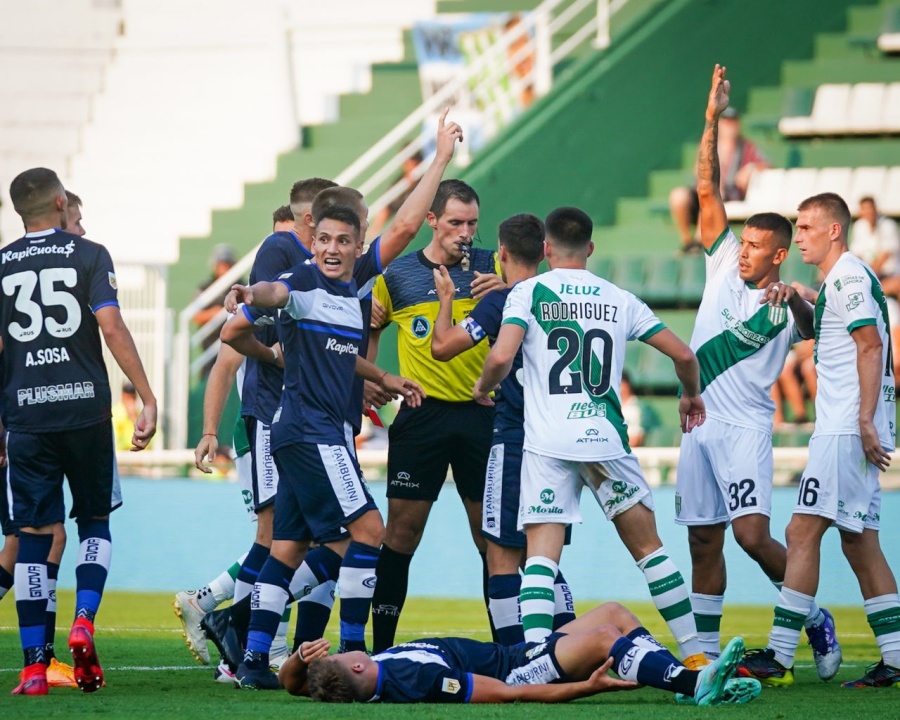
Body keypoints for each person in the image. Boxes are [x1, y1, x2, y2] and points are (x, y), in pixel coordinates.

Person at [473, 205, 708, 669]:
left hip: (548, 443)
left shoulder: (528, 293)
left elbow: (501, 356)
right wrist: (690, 395)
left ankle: (536, 662)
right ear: (591, 248)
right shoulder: (619, 298)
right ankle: (696, 655)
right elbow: (684, 355)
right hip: (605, 438)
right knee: (650, 552)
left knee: (540, 561)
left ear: (546, 249)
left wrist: (483, 386)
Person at [672, 65, 841, 679]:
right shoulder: (721, 262)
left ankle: (811, 616)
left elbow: (815, 327)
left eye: (754, 247)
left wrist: (795, 300)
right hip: (699, 425)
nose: (741, 252)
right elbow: (706, 185)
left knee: (749, 536)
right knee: (702, 540)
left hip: (745, 429)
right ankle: (706, 656)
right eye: (741, 243)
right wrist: (711, 118)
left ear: (778, 255)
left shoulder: (786, 305)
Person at [222, 204, 426, 689]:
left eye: (343, 240)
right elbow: (254, 311)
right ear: (313, 243)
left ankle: (252, 660)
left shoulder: (346, 296)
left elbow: (341, 355)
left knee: (288, 548)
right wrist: (252, 296)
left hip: (302, 433)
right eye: (325, 239)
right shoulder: (305, 282)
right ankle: (355, 652)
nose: (332, 248)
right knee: (369, 531)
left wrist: (383, 376)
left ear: (358, 247)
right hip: (313, 432)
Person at [2, 168, 157, 695]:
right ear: (60, 202)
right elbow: (111, 326)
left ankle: (33, 669)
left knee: (32, 537)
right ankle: (84, 620)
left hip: (27, 417)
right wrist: (147, 396)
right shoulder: (89, 255)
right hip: (86, 412)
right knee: (93, 522)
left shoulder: (2, 264)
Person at [738, 192, 900, 689]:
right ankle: (896, 658)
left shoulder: (847, 278)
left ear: (834, 230)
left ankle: (780, 655)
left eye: (807, 227)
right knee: (860, 542)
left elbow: (870, 345)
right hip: (852, 425)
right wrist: (799, 300)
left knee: (800, 532)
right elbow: (821, 334)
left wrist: (865, 420)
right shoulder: (841, 281)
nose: (800, 235)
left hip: (845, 428)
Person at [367, 178, 507, 652]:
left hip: (482, 414)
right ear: (431, 220)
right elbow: (371, 329)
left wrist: (510, 290)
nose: (465, 232)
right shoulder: (397, 275)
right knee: (401, 534)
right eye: (455, 222)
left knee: (490, 539)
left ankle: (507, 651)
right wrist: (369, 378)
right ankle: (382, 650)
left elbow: (530, 316)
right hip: (421, 415)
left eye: (472, 223)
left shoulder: (494, 267)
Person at [430, 213, 575, 645]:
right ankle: (569, 649)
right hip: (559, 441)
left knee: (501, 554)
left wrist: (446, 300)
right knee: (543, 556)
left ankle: (513, 656)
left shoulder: (502, 303)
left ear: (502, 253)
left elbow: (443, 347)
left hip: (515, 438)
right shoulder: (558, 298)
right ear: (544, 251)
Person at [280, 602, 760, 706]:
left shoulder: (350, 681)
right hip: (520, 669)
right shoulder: (417, 681)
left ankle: (677, 681)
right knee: (603, 636)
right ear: (357, 665)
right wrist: (586, 687)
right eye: (342, 655)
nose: (344, 650)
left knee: (614, 612)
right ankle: (694, 683)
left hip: (517, 651)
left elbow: (295, 685)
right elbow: (509, 693)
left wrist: (300, 659)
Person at [668, 106, 769, 254]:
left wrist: (750, 168)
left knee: (712, 191)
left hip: (729, 194)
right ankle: (687, 241)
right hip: (704, 192)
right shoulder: (707, 144)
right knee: (679, 196)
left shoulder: (746, 146)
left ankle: (699, 240)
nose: (730, 126)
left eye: (733, 122)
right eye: (726, 122)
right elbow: (698, 171)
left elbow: (766, 165)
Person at [851, 196, 900, 378]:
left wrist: (869, 276)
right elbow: (857, 254)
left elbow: (886, 255)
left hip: (887, 276)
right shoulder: (859, 227)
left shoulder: (887, 226)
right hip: (871, 279)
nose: (868, 213)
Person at [112, 382, 154, 451]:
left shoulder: (141, 414)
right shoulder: (115, 414)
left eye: (133, 398)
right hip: (123, 455)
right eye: (128, 398)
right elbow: (116, 442)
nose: (131, 402)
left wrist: (134, 419)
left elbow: (150, 441)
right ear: (122, 397)